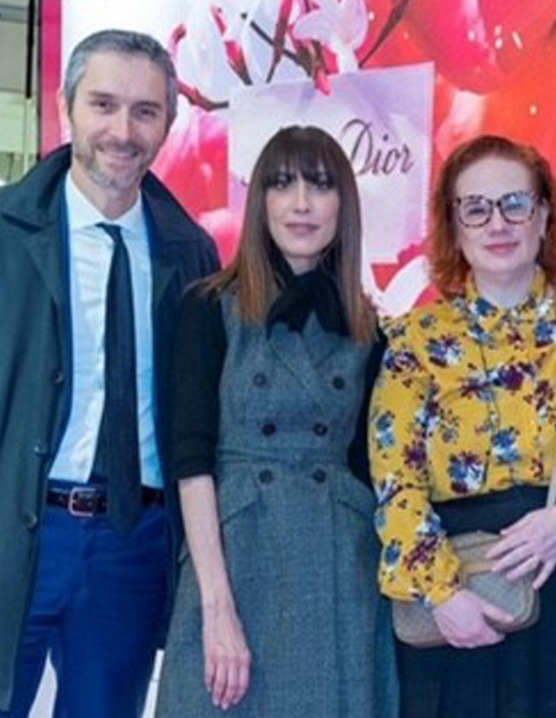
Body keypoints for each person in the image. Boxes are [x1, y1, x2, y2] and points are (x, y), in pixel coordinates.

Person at [0, 29, 220, 717]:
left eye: (145, 111)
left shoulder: (192, 254)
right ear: (66, 108)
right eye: (103, 105)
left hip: (131, 550)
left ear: (169, 123)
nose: (122, 131)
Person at [370, 134, 556, 718]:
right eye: (476, 208)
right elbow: (395, 482)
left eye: (515, 203)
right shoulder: (415, 340)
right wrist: (441, 594)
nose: (498, 223)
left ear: (543, 215)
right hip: (463, 598)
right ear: (453, 225)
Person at [154, 125, 398, 718]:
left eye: (320, 185)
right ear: (260, 200)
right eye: (283, 184)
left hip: (338, 566)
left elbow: (373, 466)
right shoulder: (209, 307)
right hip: (236, 558)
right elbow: (191, 461)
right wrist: (217, 607)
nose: (301, 203)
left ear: (344, 205)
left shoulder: (370, 329)